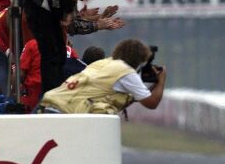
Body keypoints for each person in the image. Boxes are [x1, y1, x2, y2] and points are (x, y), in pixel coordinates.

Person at [37, 38, 166, 114]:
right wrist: (161, 80)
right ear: (138, 60)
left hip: (47, 105)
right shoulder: (125, 71)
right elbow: (151, 103)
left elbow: (128, 98)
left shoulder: (102, 63)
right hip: (64, 113)